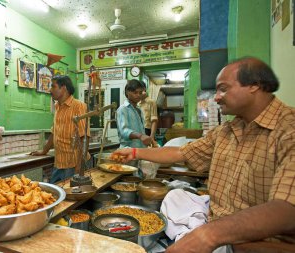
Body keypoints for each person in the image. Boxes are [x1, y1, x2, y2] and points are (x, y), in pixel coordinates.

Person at [113, 57, 295, 252]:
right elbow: (180, 153)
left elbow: (288, 211)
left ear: (254, 86)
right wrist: (135, 152)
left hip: (252, 239)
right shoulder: (227, 130)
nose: (216, 97)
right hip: (216, 220)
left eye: (223, 89)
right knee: (175, 196)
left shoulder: (288, 129)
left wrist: (209, 235)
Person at [30, 75, 90, 183]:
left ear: (64, 88)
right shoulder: (58, 106)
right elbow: (55, 132)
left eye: (53, 86)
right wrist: (44, 150)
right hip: (59, 162)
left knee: (72, 197)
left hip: (73, 165)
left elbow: (84, 137)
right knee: (55, 193)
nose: (50, 90)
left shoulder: (78, 106)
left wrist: (79, 168)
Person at [116, 79, 152, 148]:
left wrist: (147, 139)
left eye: (140, 93)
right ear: (127, 92)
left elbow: (141, 131)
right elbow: (124, 131)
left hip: (140, 151)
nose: (138, 95)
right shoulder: (123, 109)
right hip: (128, 151)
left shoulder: (139, 110)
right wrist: (140, 136)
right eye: (135, 93)